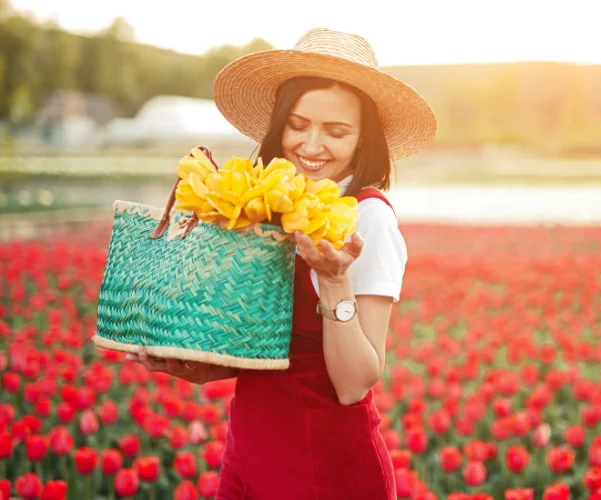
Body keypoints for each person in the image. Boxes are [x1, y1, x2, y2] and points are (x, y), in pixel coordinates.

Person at [127, 28, 437, 499]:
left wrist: (335, 281)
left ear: (362, 140)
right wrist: (201, 368)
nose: (311, 146)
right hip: (249, 455)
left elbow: (354, 383)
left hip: (325, 467)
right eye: (298, 124)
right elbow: (274, 352)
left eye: (336, 132)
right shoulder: (264, 204)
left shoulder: (368, 219)